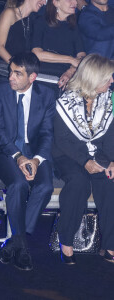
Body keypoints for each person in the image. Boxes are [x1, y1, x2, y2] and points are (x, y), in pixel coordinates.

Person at [0, 52, 55, 271]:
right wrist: (18, 156)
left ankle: (14, 241)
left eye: (17, 74)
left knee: (45, 186)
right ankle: (23, 247)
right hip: (7, 152)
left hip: (35, 152)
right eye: (11, 72)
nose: (11, 77)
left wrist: (36, 159)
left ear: (32, 77)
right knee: (18, 184)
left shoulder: (46, 95)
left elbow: (47, 133)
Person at [52, 54, 114, 264]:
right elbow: (62, 140)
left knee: (110, 181)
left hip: (99, 152)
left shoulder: (109, 99)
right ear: (94, 79)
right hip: (68, 155)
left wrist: (112, 161)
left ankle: (109, 245)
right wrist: (85, 162)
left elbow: (110, 135)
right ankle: (66, 240)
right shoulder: (66, 100)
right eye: (108, 78)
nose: (112, 81)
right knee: (78, 182)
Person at [0, 0, 46, 86]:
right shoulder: (10, 13)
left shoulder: (31, 20)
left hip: (15, 73)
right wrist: (17, 68)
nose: (44, 2)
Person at [32, 0, 86, 92]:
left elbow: (82, 55)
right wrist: (70, 59)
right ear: (56, 3)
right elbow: (37, 54)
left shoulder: (73, 26)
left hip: (65, 77)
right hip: (42, 76)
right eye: (70, 0)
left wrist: (71, 70)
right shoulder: (41, 22)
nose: (75, 3)